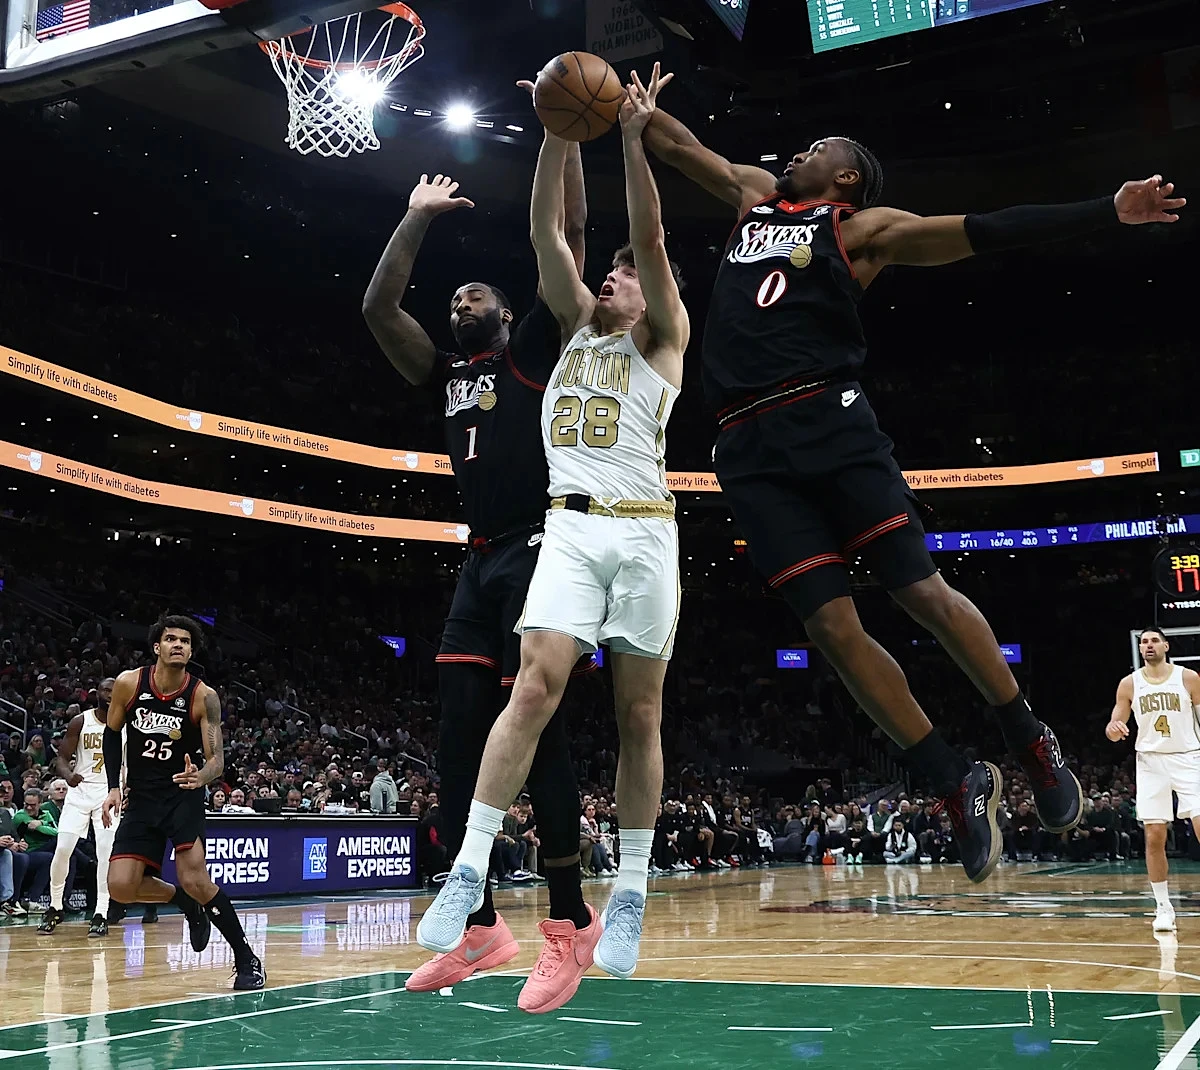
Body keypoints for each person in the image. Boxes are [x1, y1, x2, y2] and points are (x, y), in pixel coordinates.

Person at [639, 98, 1183, 885]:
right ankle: (953, 778)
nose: (801, 149)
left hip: (827, 417)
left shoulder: (864, 229)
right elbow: (684, 147)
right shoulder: (754, 196)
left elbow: (985, 229)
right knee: (830, 628)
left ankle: (1027, 734)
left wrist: (1108, 209)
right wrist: (626, 109)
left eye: (820, 145)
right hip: (745, 445)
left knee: (919, 590)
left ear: (847, 177)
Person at [418, 64, 690, 1005]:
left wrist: (630, 140)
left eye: (624, 275)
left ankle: (632, 892)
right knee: (532, 688)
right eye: (607, 272)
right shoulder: (571, 327)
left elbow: (651, 237)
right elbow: (546, 231)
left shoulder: (662, 338)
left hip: (645, 535)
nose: (613, 277)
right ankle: (469, 871)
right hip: (567, 532)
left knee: (639, 716)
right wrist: (554, 130)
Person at [362, 146, 592, 994]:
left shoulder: (531, 352)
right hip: (479, 560)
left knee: (541, 735)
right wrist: (415, 217)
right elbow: (377, 305)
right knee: (457, 742)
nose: (461, 303)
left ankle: (569, 917)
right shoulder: (442, 372)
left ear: (506, 314)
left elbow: (568, 238)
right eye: (455, 299)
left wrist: (564, 138)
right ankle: (483, 926)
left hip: (542, 547)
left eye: (475, 297)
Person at [100, 615, 265, 988]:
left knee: (196, 879)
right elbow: (112, 734)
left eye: (186, 641)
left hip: (182, 795)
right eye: (171, 639)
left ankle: (246, 959)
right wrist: (113, 786)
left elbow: (217, 761)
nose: (178, 645)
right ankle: (185, 903)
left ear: (191, 651)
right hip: (141, 796)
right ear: (156, 646)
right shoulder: (129, 683)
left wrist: (201, 777)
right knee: (121, 887)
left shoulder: (203, 696)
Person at [1107, 626, 1200, 931]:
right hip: (1150, 762)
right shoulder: (1129, 684)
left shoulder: (1188, 678)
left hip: (1188, 756)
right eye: (1144, 641)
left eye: (1154, 640)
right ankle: (1163, 907)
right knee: (1154, 835)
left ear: (1166, 646)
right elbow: (1115, 723)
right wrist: (1113, 729)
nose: (1148, 645)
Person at [37, 678, 121, 936]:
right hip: (80, 790)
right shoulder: (81, 721)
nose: (110, 694)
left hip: (108, 792)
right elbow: (61, 758)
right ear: (97, 694)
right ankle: (55, 906)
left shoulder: (126, 724)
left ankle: (101, 911)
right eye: (106, 690)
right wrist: (68, 775)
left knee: (105, 853)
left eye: (115, 691)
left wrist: (126, 789)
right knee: (63, 848)